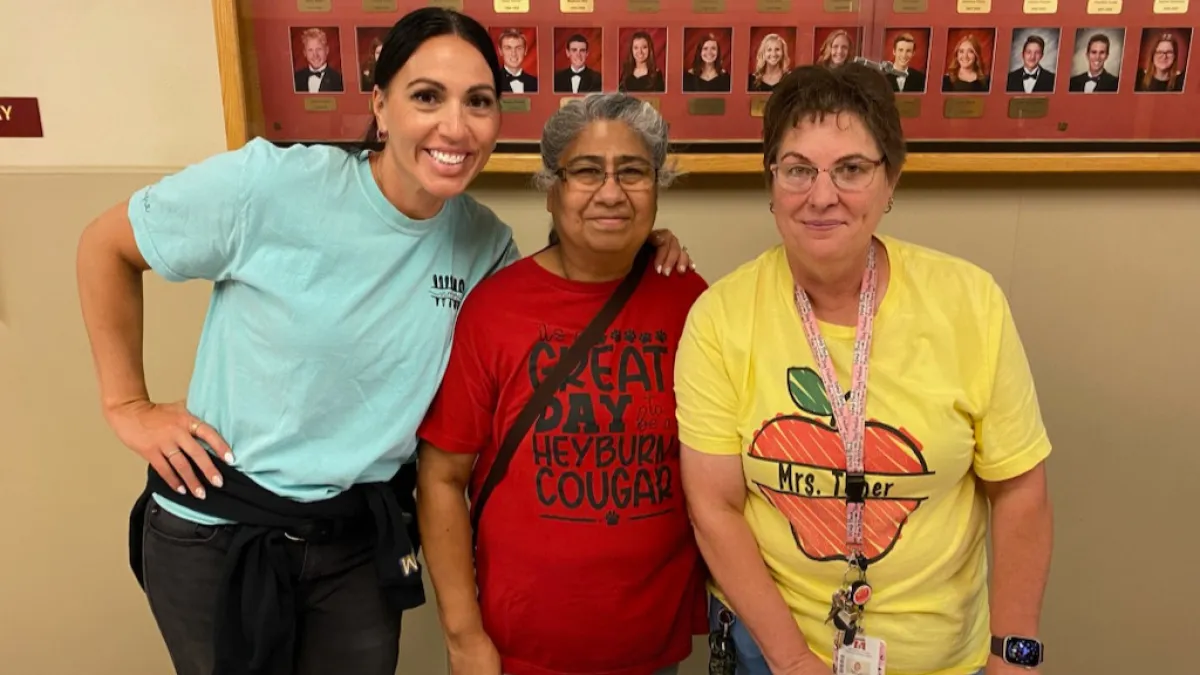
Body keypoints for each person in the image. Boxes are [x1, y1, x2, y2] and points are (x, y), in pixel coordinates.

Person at [74, 7, 692, 675]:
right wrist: (126, 404)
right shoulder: (271, 186)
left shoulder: (482, 244)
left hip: (357, 539)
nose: (454, 126)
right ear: (381, 106)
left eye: (478, 102)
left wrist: (631, 241)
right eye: (427, 96)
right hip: (222, 530)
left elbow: (559, 289)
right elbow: (104, 247)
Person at [674, 63, 1053, 675]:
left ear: (891, 180)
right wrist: (795, 660)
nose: (821, 195)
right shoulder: (720, 317)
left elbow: (1019, 490)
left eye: (850, 169)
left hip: (942, 657)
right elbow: (714, 508)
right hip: (771, 651)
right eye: (798, 169)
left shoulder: (969, 301)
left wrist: (1015, 655)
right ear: (770, 183)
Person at [416, 92, 709, 675]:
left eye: (633, 172)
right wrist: (463, 635)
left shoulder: (690, 299)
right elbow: (442, 476)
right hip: (519, 648)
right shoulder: (495, 309)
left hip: (651, 645)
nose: (611, 192)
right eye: (585, 171)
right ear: (551, 189)